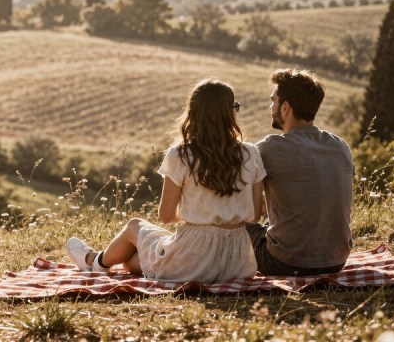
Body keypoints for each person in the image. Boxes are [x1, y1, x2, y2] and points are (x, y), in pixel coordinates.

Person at [67, 78, 265, 283]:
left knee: (135, 225)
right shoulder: (251, 153)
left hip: (194, 257)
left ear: (194, 114)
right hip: (238, 262)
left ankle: (94, 262)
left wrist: (200, 213)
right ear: (229, 113)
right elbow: (254, 216)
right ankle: (105, 261)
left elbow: (167, 216)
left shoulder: (181, 155)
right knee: (131, 263)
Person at [247, 68, 353, 276]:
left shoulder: (269, 148)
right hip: (336, 260)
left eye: (273, 101)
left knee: (236, 226)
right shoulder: (341, 146)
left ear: (285, 108)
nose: (271, 107)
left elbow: (250, 212)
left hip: (285, 262)